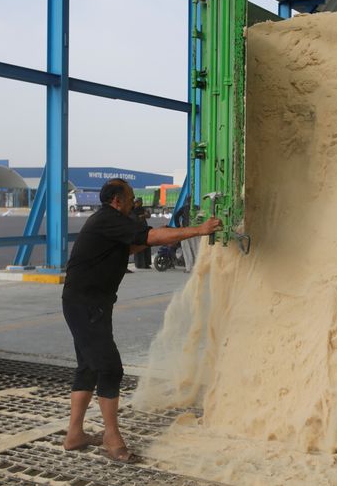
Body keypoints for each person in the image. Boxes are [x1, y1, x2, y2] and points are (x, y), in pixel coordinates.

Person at [61, 178, 221, 461]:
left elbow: (131, 247)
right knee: (110, 369)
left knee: (88, 367)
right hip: (86, 305)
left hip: (87, 303)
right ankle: (112, 439)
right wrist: (199, 230)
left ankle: (75, 435)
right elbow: (152, 237)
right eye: (131, 197)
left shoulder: (107, 223)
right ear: (117, 200)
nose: (135, 202)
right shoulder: (109, 219)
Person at [173, 195, 198, 273]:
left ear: (187, 201)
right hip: (194, 231)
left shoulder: (184, 208)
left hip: (185, 231)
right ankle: (197, 267)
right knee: (196, 249)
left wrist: (178, 226)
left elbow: (176, 216)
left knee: (187, 250)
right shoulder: (197, 208)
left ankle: (189, 268)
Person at [130, 198, 152, 269]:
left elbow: (148, 215)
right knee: (139, 247)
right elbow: (134, 218)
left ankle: (146, 263)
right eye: (139, 202)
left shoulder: (142, 209)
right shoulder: (132, 210)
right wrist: (142, 216)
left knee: (146, 246)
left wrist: (146, 214)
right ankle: (140, 264)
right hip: (137, 230)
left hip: (144, 228)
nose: (140, 203)